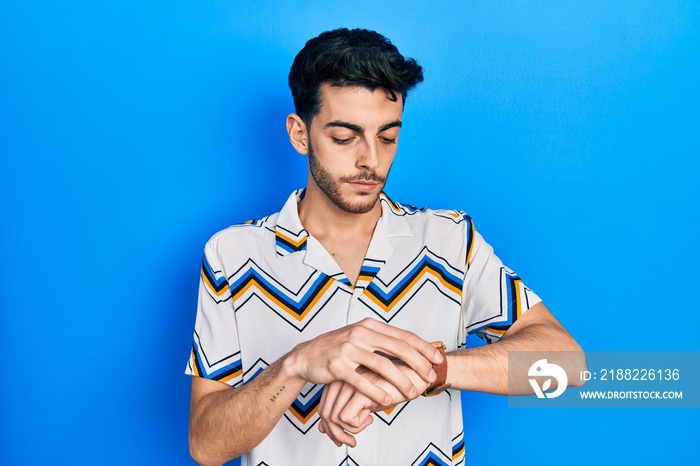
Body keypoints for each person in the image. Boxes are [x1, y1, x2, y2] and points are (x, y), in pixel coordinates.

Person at [186, 28, 585, 466]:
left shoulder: (450, 239)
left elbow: (566, 362)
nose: (370, 161)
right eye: (344, 137)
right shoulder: (232, 255)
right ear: (300, 134)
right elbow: (206, 444)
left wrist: (428, 369)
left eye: (388, 136)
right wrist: (298, 364)